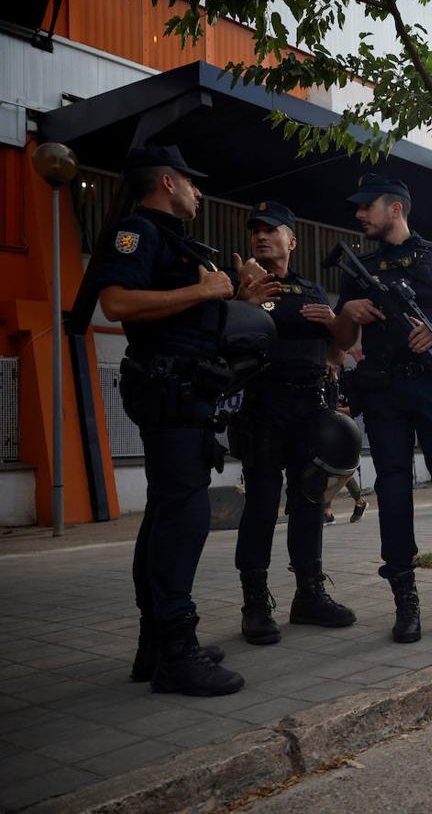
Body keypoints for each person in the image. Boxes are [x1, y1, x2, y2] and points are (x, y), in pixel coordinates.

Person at [94, 145, 262, 696]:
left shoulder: (169, 240)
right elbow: (115, 304)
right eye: (192, 183)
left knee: (168, 514)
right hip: (168, 392)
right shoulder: (136, 232)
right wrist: (206, 288)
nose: (199, 192)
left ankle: (156, 647)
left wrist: (233, 296)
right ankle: (176, 653)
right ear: (167, 181)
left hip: (185, 392)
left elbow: (188, 315)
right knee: (183, 517)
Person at [330, 173, 432, 642]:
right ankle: (406, 607)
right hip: (384, 393)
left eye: (368, 207)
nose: (360, 215)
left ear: (396, 208)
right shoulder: (358, 268)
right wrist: (347, 314)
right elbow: (341, 344)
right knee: (395, 495)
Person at [231, 201, 358, 646]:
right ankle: (254, 604)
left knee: (309, 504)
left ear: (292, 240)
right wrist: (242, 303)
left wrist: (336, 322)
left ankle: (309, 595)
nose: (262, 236)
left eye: (272, 230)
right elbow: (223, 343)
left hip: (310, 410)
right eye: (256, 231)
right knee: (261, 506)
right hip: (264, 408)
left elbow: (341, 347)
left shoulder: (311, 291)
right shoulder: (239, 286)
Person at [323, 353, 369, 524]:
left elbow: (353, 410)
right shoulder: (326, 383)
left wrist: (333, 410)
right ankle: (329, 510)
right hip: (329, 430)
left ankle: (332, 509)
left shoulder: (347, 382)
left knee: (340, 469)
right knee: (329, 468)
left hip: (345, 431)